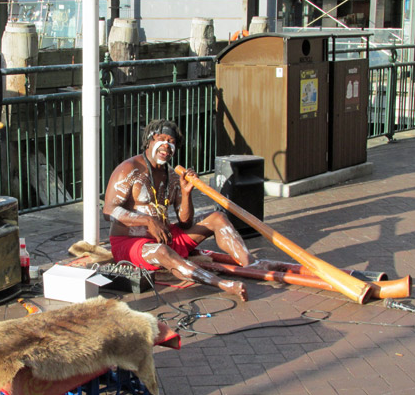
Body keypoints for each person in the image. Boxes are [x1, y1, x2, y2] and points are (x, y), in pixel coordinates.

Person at [103, 119, 296, 302]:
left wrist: (186, 193)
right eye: (161, 139)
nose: (166, 146)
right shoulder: (129, 169)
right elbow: (108, 210)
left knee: (217, 217)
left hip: (166, 237)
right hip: (130, 244)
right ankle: (222, 283)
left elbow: (185, 222)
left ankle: (251, 264)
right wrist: (147, 221)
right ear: (149, 140)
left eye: (171, 142)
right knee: (161, 250)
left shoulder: (171, 175)